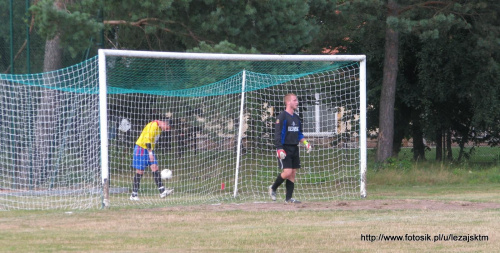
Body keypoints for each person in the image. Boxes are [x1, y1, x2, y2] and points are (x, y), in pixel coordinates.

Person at [269, 93, 311, 203]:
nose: (297, 102)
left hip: (294, 148)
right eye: (295, 100)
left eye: (297, 100)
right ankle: (273, 188)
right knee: (287, 172)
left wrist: (306, 143)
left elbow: (299, 134)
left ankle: (288, 198)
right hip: (284, 148)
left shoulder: (297, 118)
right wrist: (279, 148)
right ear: (288, 102)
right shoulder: (282, 116)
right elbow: (277, 134)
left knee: (292, 174)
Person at [130, 120, 174, 200]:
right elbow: (147, 141)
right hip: (142, 148)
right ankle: (134, 194)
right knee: (140, 171)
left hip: (149, 149)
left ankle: (162, 192)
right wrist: (150, 153)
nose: (166, 130)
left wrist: (150, 152)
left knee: (155, 167)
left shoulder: (160, 129)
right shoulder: (153, 125)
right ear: (164, 123)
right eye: (167, 128)